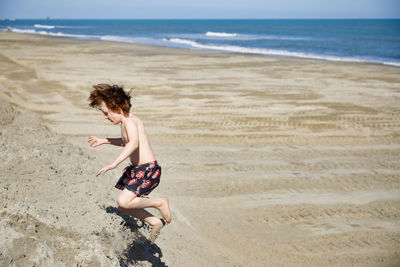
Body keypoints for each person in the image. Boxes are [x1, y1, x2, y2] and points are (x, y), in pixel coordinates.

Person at [88, 84, 171, 243]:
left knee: (122, 201)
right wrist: (105, 140)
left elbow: (133, 144)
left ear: (117, 108)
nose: (106, 117)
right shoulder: (125, 122)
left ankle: (160, 203)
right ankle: (154, 221)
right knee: (123, 206)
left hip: (147, 170)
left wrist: (114, 163)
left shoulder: (130, 122)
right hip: (138, 169)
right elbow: (125, 141)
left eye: (106, 113)